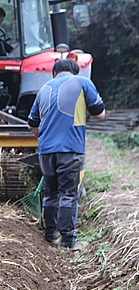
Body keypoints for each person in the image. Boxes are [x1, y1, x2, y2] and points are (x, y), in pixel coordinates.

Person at [28, 58, 105, 251]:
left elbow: (32, 126)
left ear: (54, 73)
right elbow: (99, 113)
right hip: (70, 149)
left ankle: (50, 235)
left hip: (45, 151)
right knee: (69, 194)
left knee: (51, 192)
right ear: (75, 72)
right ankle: (67, 242)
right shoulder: (82, 83)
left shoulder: (44, 88)